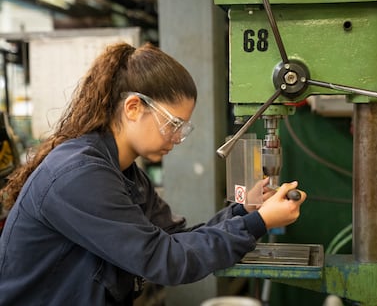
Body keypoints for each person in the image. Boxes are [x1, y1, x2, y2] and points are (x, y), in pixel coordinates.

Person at [0, 42, 306, 306]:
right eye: (173, 124)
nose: (177, 138)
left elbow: (176, 240)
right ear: (133, 107)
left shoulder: (126, 175)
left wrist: (246, 210)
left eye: (183, 129)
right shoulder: (80, 176)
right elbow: (165, 260)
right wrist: (260, 222)